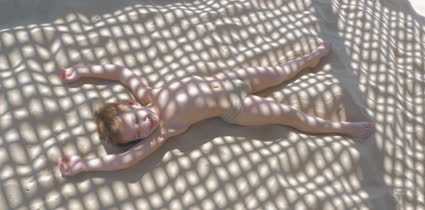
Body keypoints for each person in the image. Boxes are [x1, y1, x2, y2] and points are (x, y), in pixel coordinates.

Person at [58, 42, 374, 177]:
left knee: (278, 72)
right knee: (289, 115)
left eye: (137, 119)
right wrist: (85, 165)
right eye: (139, 132)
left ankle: (308, 59)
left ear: (131, 104)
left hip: (229, 79)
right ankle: (342, 128)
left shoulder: (148, 94)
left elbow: (121, 71)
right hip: (236, 107)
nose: (145, 125)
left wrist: (83, 71)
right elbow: (126, 160)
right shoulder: (165, 131)